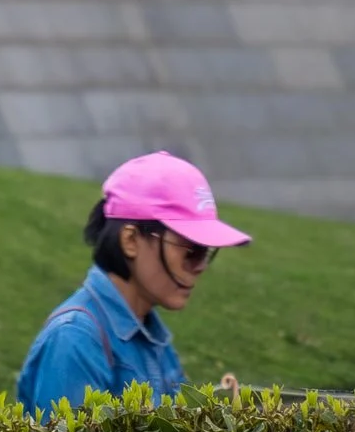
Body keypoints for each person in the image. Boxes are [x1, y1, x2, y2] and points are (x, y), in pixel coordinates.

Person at [15, 151, 250, 413]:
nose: (200, 266)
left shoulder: (153, 336)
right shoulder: (75, 339)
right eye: (191, 250)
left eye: (206, 252)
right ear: (130, 240)